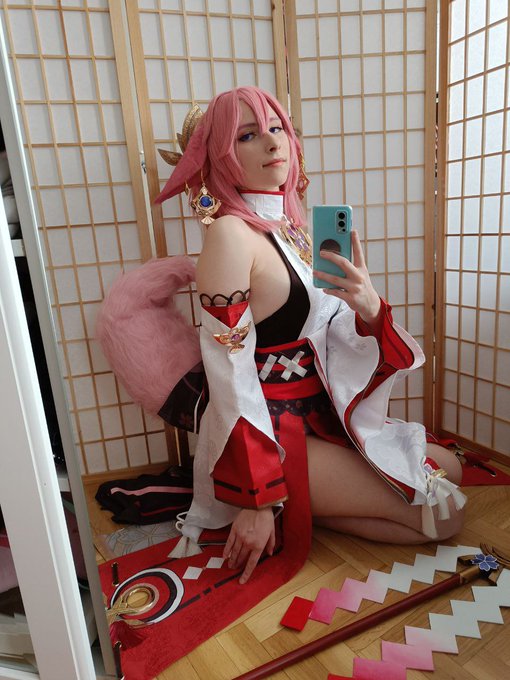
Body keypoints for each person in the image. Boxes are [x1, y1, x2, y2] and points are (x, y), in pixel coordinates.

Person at [154, 85, 466, 587]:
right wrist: (258, 497)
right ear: (219, 155)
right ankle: (280, 505)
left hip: (322, 409)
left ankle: (303, 506)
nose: (272, 142)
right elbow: (229, 373)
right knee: (445, 515)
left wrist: (369, 306)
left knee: (450, 469)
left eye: (277, 128)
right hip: (273, 430)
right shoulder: (229, 235)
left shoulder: (295, 228)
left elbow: (334, 336)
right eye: (247, 136)